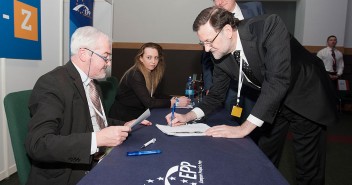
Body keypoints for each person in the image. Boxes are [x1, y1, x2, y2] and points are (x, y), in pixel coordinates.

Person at [166, 7, 338, 185]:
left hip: (305, 95)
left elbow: (277, 80)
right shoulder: (220, 55)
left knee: (307, 167)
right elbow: (216, 94)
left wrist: (243, 129)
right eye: (203, 44)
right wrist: (187, 116)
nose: (207, 49)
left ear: (227, 30)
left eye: (209, 41)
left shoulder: (268, 25)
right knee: (262, 156)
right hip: (273, 101)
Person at [25, 26, 150, 185]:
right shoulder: (52, 83)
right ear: (84, 53)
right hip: (70, 174)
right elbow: (38, 144)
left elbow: (94, 121)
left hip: (98, 160)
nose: (109, 63)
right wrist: (97, 140)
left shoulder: (93, 84)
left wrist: (123, 124)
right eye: (105, 57)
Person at [202, 0, 264, 122]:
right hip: (230, 86)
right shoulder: (210, 18)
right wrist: (210, 85)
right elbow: (207, 58)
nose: (219, 2)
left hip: (259, 84)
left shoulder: (256, 8)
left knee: (258, 125)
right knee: (229, 123)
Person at [109, 42, 190, 121]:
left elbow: (155, 95)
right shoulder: (135, 74)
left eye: (156, 57)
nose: (153, 62)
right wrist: (175, 102)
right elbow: (149, 103)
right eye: (149, 57)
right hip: (121, 118)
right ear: (141, 58)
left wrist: (174, 98)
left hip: (137, 114)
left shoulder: (151, 72)